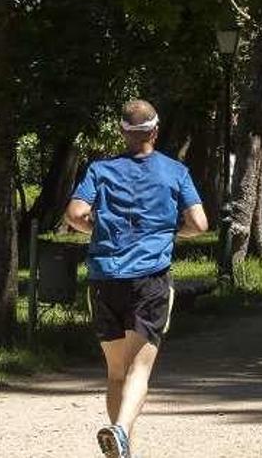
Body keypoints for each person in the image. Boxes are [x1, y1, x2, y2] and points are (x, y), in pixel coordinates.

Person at [65, 99, 209, 458]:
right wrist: (167, 231)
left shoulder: (100, 170)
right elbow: (200, 224)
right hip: (150, 281)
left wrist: (96, 228)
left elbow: (75, 214)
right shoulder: (175, 171)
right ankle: (121, 431)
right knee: (139, 371)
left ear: (122, 133)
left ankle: (122, 450)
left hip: (104, 279)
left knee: (116, 371)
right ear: (155, 132)